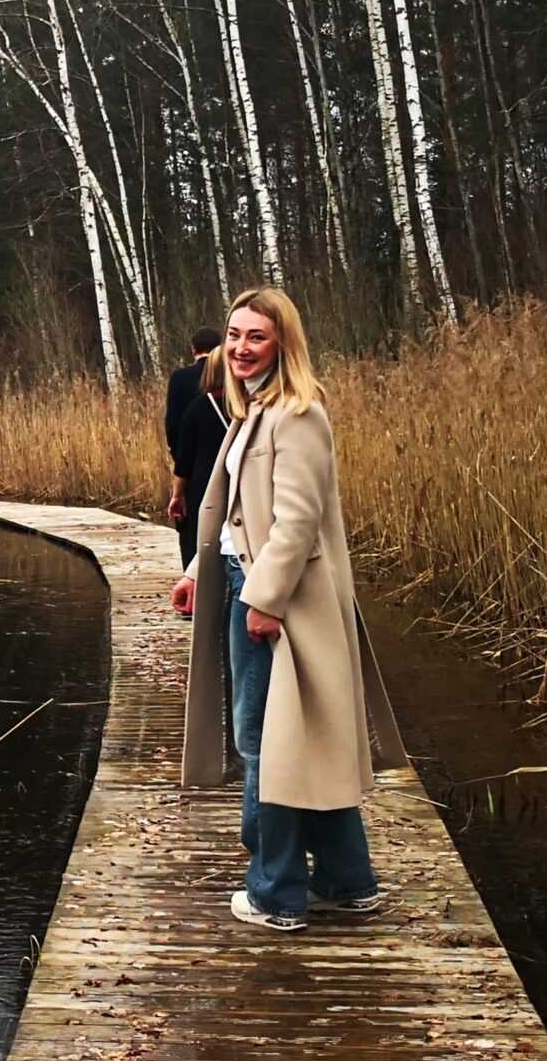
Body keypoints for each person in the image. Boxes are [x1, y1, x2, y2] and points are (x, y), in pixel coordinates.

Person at [169, 288, 405, 931]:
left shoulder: (298, 414)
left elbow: (297, 522)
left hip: (284, 602)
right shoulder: (254, 409)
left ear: (284, 345)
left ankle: (276, 892)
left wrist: (263, 601)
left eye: (257, 338)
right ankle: (348, 881)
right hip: (256, 587)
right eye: (234, 335)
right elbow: (242, 516)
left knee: (265, 743)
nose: (241, 348)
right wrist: (198, 569)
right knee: (304, 739)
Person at [163, 326, 229, 568]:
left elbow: (172, 427)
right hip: (231, 464)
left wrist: (180, 462)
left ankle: (194, 583)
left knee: (193, 531)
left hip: (196, 469)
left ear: (193, 349)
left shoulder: (180, 379)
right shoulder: (237, 387)